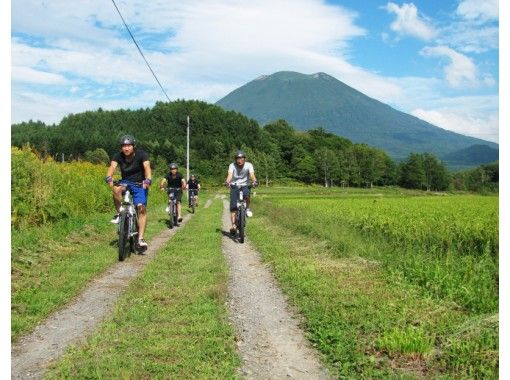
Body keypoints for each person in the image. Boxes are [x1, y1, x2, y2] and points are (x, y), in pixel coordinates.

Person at [105, 134, 152, 249]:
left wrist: (148, 180)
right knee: (116, 189)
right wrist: (109, 177)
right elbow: (112, 167)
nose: (126, 148)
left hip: (139, 184)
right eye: (124, 146)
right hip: (125, 182)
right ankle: (120, 213)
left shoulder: (142, 154)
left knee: (141, 209)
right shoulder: (118, 156)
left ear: (133, 146)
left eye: (129, 146)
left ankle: (140, 238)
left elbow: (147, 168)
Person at [225, 150, 258, 234]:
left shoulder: (249, 165)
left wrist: (254, 181)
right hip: (234, 185)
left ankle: (247, 209)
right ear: (235, 160)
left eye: (241, 159)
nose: (239, 161)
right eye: (237, 159)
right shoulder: (232, 165)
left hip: (245, 185)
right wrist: (227, 182)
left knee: (247, 196)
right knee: (233, 208)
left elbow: (252, 175)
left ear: (244, 159)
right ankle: (233, 226)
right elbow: (230, 175)